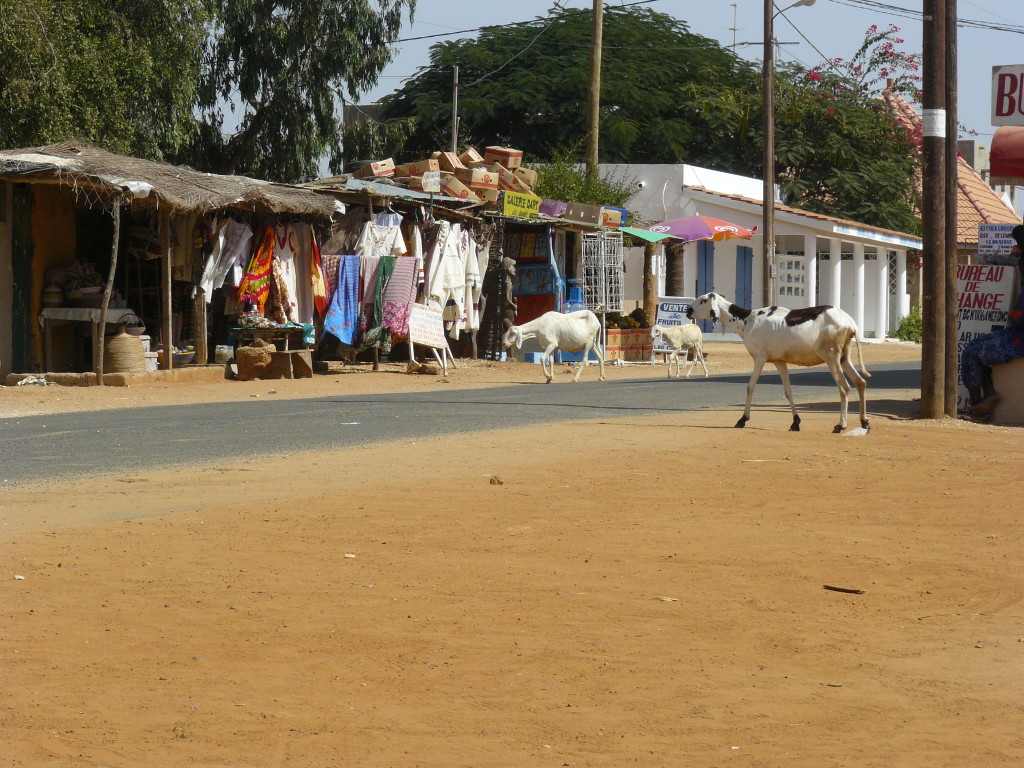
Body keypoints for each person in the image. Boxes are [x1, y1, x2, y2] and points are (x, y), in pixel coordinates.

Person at [960, 224, 1024, 417]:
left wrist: (1014, 316)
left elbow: (1018, 317)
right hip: (1016, 333)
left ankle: (979, 407)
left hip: (1019, 338)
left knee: (971, 353)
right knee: (976, 346)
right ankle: (989, 394)